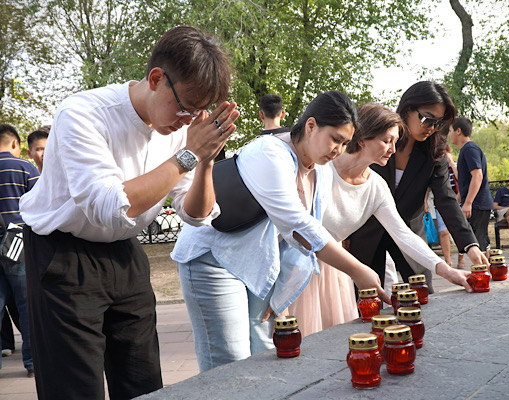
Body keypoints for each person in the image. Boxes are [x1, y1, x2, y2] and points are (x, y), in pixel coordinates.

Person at [19, 26, 239, 400]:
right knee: (74, 387)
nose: (189, 119)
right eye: (185, 105)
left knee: (142, 381)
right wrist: (186, 155)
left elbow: (196, 214)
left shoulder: (178, 127)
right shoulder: (84, 113)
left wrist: (203, 160)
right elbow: (109, 204)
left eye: (199, 111)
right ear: (156, 79)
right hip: (63, 254)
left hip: (125, 252)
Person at [171, 91, 389, 373]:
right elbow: (297, 224)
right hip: (213, 259)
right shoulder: (269, 152)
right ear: (310, 126)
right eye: (335, 139)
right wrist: (358, 270)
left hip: (256, 265)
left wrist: (281, 292)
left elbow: (301, 236)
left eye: (345, 143)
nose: (338, 150)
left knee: (265, 356)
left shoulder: (318, 168)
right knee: (230, 365)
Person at [288, 104, 472, 336]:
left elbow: (403, 234)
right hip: (297, 268)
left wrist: (445, 270)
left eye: (395, 142)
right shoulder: (321, 169)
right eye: (387, 141)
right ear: (363, 138)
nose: (393, 149)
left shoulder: (376, 186)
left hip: (338, 272)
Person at [348, 81, 489, 290]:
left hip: (410, 232)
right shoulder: (376, 140)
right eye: (427, 119)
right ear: (407, 109)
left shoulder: (435, 151)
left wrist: (470, 245)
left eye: (438, 123)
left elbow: (445, 198)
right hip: (366, 233)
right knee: (367, 302)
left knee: (423, 295)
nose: (431, 128)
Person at [0, 124, 39, 377]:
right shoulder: (25, 168)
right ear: (15, 143)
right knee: (28, 305)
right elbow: (40, 205)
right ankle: (33, 362)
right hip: (18, 241)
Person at [448, 117, 494, 259]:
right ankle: (487, 271)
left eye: (450, 131)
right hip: (477, 203)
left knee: (477, 241)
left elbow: (477, 176)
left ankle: (482, 275)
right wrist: (460, 197)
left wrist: (468, 203)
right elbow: (466, 179)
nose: (449, 135)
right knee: (480, 240)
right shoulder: (466, 150)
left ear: (458, 131)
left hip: (477, 204)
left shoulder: (469, 149)